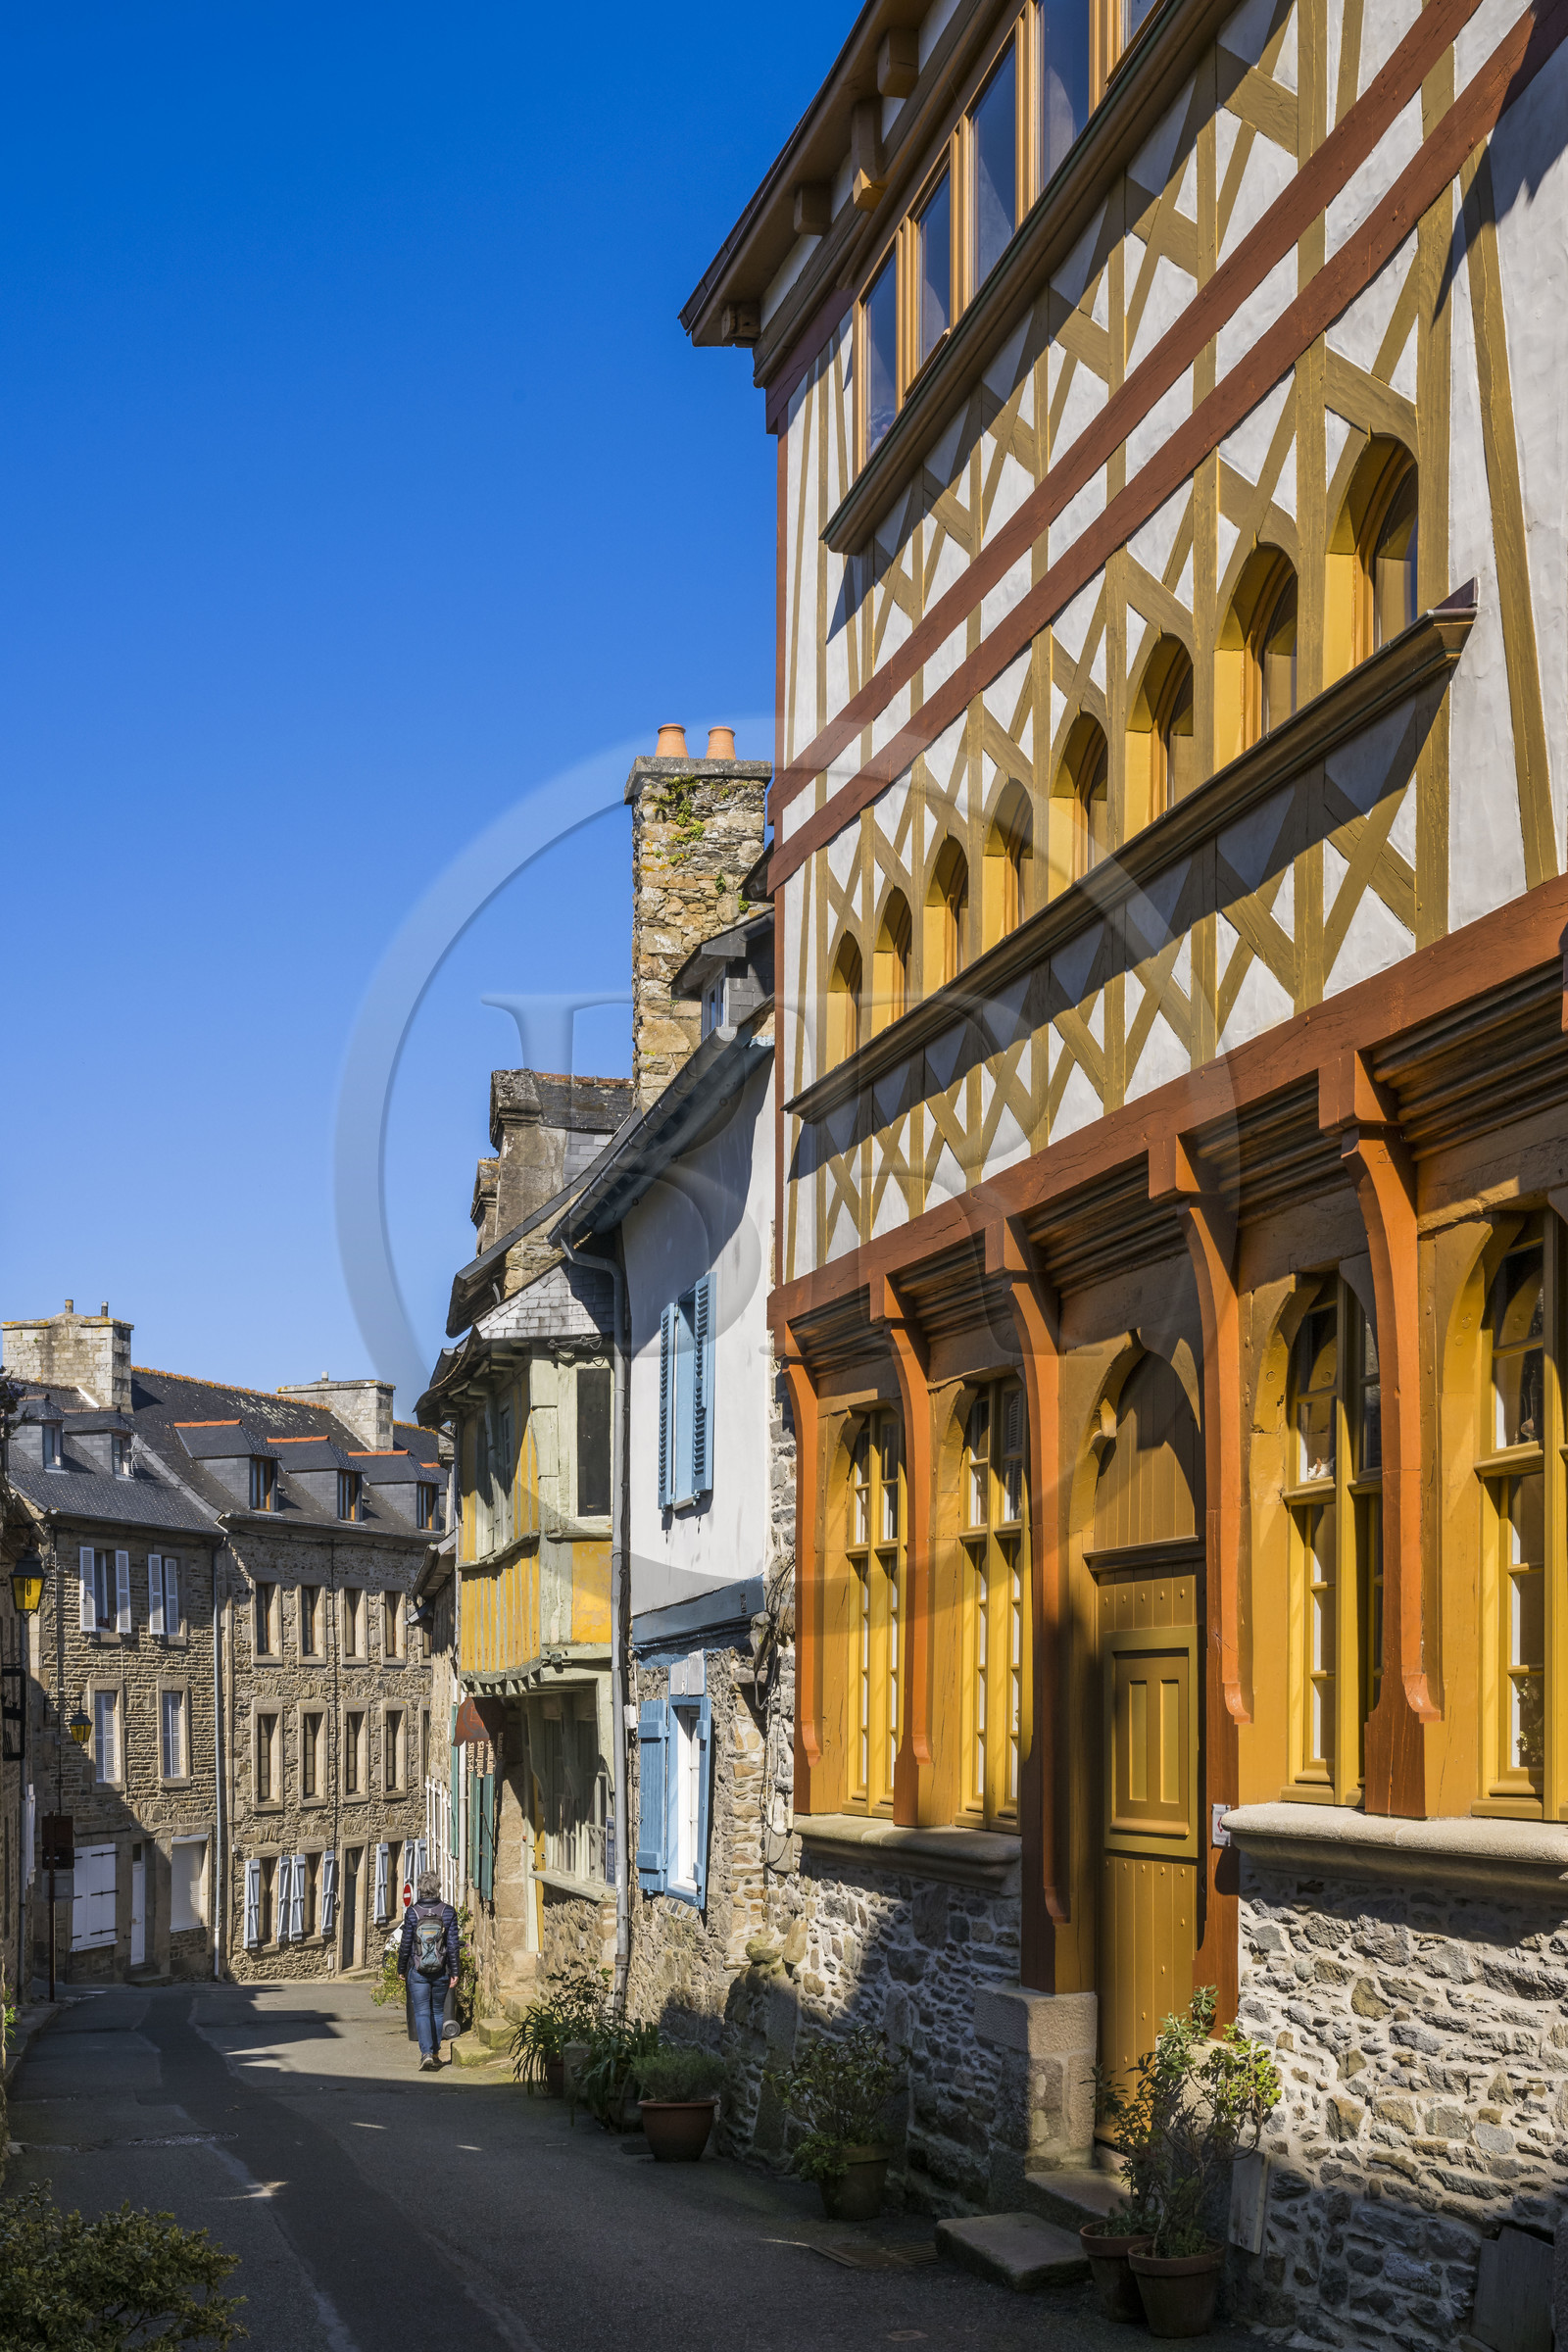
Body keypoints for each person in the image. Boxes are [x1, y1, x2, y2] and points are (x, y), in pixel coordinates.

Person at [398, 1870, 460, 2072]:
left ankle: (425, 2054)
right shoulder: (448, 1912)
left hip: (418, 1971)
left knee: (422, 2012)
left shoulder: (412, 1912)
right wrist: (455, 1971)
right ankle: (434, 2053)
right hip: (441, 1971)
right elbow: (452, 1945)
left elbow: (406, 1943)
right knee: (437, 2012)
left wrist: (401, 1969)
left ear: (419, 1888)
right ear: (438, 1888)